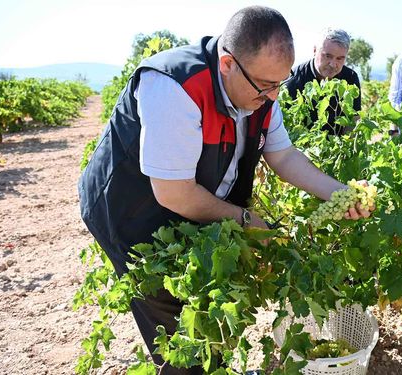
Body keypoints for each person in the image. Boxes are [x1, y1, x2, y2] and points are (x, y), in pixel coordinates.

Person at [78, 6, 373, 374]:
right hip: (129, 213)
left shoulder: (262, 89)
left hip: (187, 200)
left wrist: (338, 192)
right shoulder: (174, 88)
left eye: (280, 84)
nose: (274, 96)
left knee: (208, 306)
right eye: (266, 86)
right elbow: (175, 194)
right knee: (175, 317)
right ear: (228, 65)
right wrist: (246, 219)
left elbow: (283, 157)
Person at [286, 28, 361, 135]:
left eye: (340, 58)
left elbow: (353, 120)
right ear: (315, 51)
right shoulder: (294, 80)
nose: (333, 64)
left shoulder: (351, 78)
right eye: (328, 56)